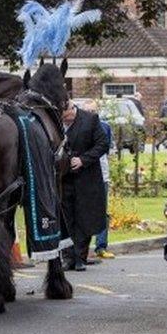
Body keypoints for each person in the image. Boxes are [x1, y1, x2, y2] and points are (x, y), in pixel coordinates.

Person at [60, 101, 110, 271]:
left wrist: (83, 160)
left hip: (86, 178)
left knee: (84, 217)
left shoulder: (90, 120)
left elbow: (103, 144)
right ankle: (67, 258)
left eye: (66, 118)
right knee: (65, 218)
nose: (65, 122)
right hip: (63, 178)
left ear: (71, 109)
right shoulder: (55, 121)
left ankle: (80, 257)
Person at [83, 99, 115, 259]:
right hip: (84, 175)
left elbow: (108, 150)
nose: (91, 115)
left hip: (102, 175)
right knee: (83, 211)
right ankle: (82, 247)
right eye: (87, 111)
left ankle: (101, 246)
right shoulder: (79, 127)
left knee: (102, 211)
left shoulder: (105, 127)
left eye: (93, 112)